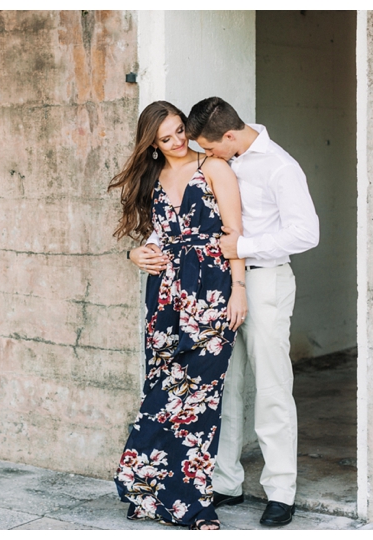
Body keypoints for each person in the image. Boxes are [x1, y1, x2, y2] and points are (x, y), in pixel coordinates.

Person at [132, 97, 319, 527]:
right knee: (222, 384)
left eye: (207, 147)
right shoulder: (217, 158)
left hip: (264, 277)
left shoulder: (279, 166)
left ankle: (280, 491)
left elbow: (306, 232)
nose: (201, 154)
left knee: (271, 385)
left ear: (229, 138)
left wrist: (243, 249)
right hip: (212, 287)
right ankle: (226, 481)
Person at [109, 101, 246, 530]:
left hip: (211, 293)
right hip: (166, 297)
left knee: (199, 402)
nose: (177, 141)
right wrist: (136, 254)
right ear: (152, 143)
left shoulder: (215, 169)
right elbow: (149, 236)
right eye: (166, 137)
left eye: (180, 130)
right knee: (160, 396)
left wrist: (239, 290)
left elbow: (234, 233)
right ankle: (149, 494)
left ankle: (191, 504)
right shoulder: (152, 178)